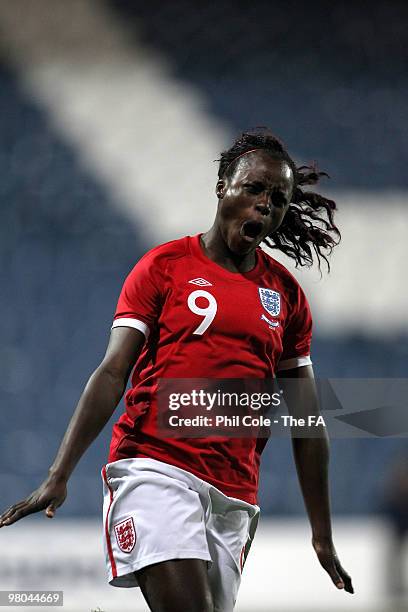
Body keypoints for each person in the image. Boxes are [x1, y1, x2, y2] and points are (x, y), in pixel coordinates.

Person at [0, 129, 354, 611]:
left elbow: (308, 421)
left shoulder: (286, 296)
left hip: (234, 493)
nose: (264, 206)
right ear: (222, 186)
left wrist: (322, 533)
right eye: (253, 188)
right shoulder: (163, 267)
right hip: (156, 470)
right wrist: (59, 473)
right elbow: (111, 373)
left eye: (278, 199)